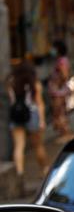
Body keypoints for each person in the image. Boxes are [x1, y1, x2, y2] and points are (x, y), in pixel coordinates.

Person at [6, 59, 49, 187]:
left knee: (19, 146)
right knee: (38, 146)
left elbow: (12, 101)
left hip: (16, 116)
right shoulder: (34, 83)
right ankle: (45, 170)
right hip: (32, 115)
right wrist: (42, 120)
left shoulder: (11, 83)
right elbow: (39, 103)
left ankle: (20, 173)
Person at [46, 41, 74, 137]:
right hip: (59, 91)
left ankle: (65, 134)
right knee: (60, 112)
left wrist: (57, 84)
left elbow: (64, 75)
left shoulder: (62, 61)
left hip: (59, 92)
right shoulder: (62, 60)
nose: (52, 50)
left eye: (53, 48)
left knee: (59, 112)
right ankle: (64, 133)